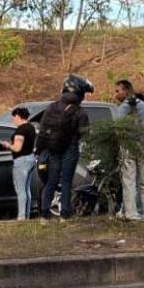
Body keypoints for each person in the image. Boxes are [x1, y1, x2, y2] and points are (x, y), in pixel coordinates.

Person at [37, 74, 92, 220]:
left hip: (53, 149)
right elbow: (84, 133)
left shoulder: (51, 107)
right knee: (67, 181)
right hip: (70, 149)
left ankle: (44, 214)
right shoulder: (80, 112)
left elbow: (42, 129)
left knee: (51, 181)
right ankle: (64, 214)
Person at [112, 79, 144, 222]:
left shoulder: (124, 107)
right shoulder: (143, 105)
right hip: (143, 147)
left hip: (129, 147)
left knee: (129, 181)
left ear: (126, 90)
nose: (116, 94)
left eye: (117, 91)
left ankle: (131, 214)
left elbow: (117, 127)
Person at [8, 106, 37, 220]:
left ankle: (21, 216)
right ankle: (27, 215)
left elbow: (17, 148)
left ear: (18, 116)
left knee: (21, 190)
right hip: (30, 158)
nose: (13, 120)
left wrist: (7, 145)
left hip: (21, 161)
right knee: (26, 189)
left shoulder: (20, 130)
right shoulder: (31, 127)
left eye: (14, 117)